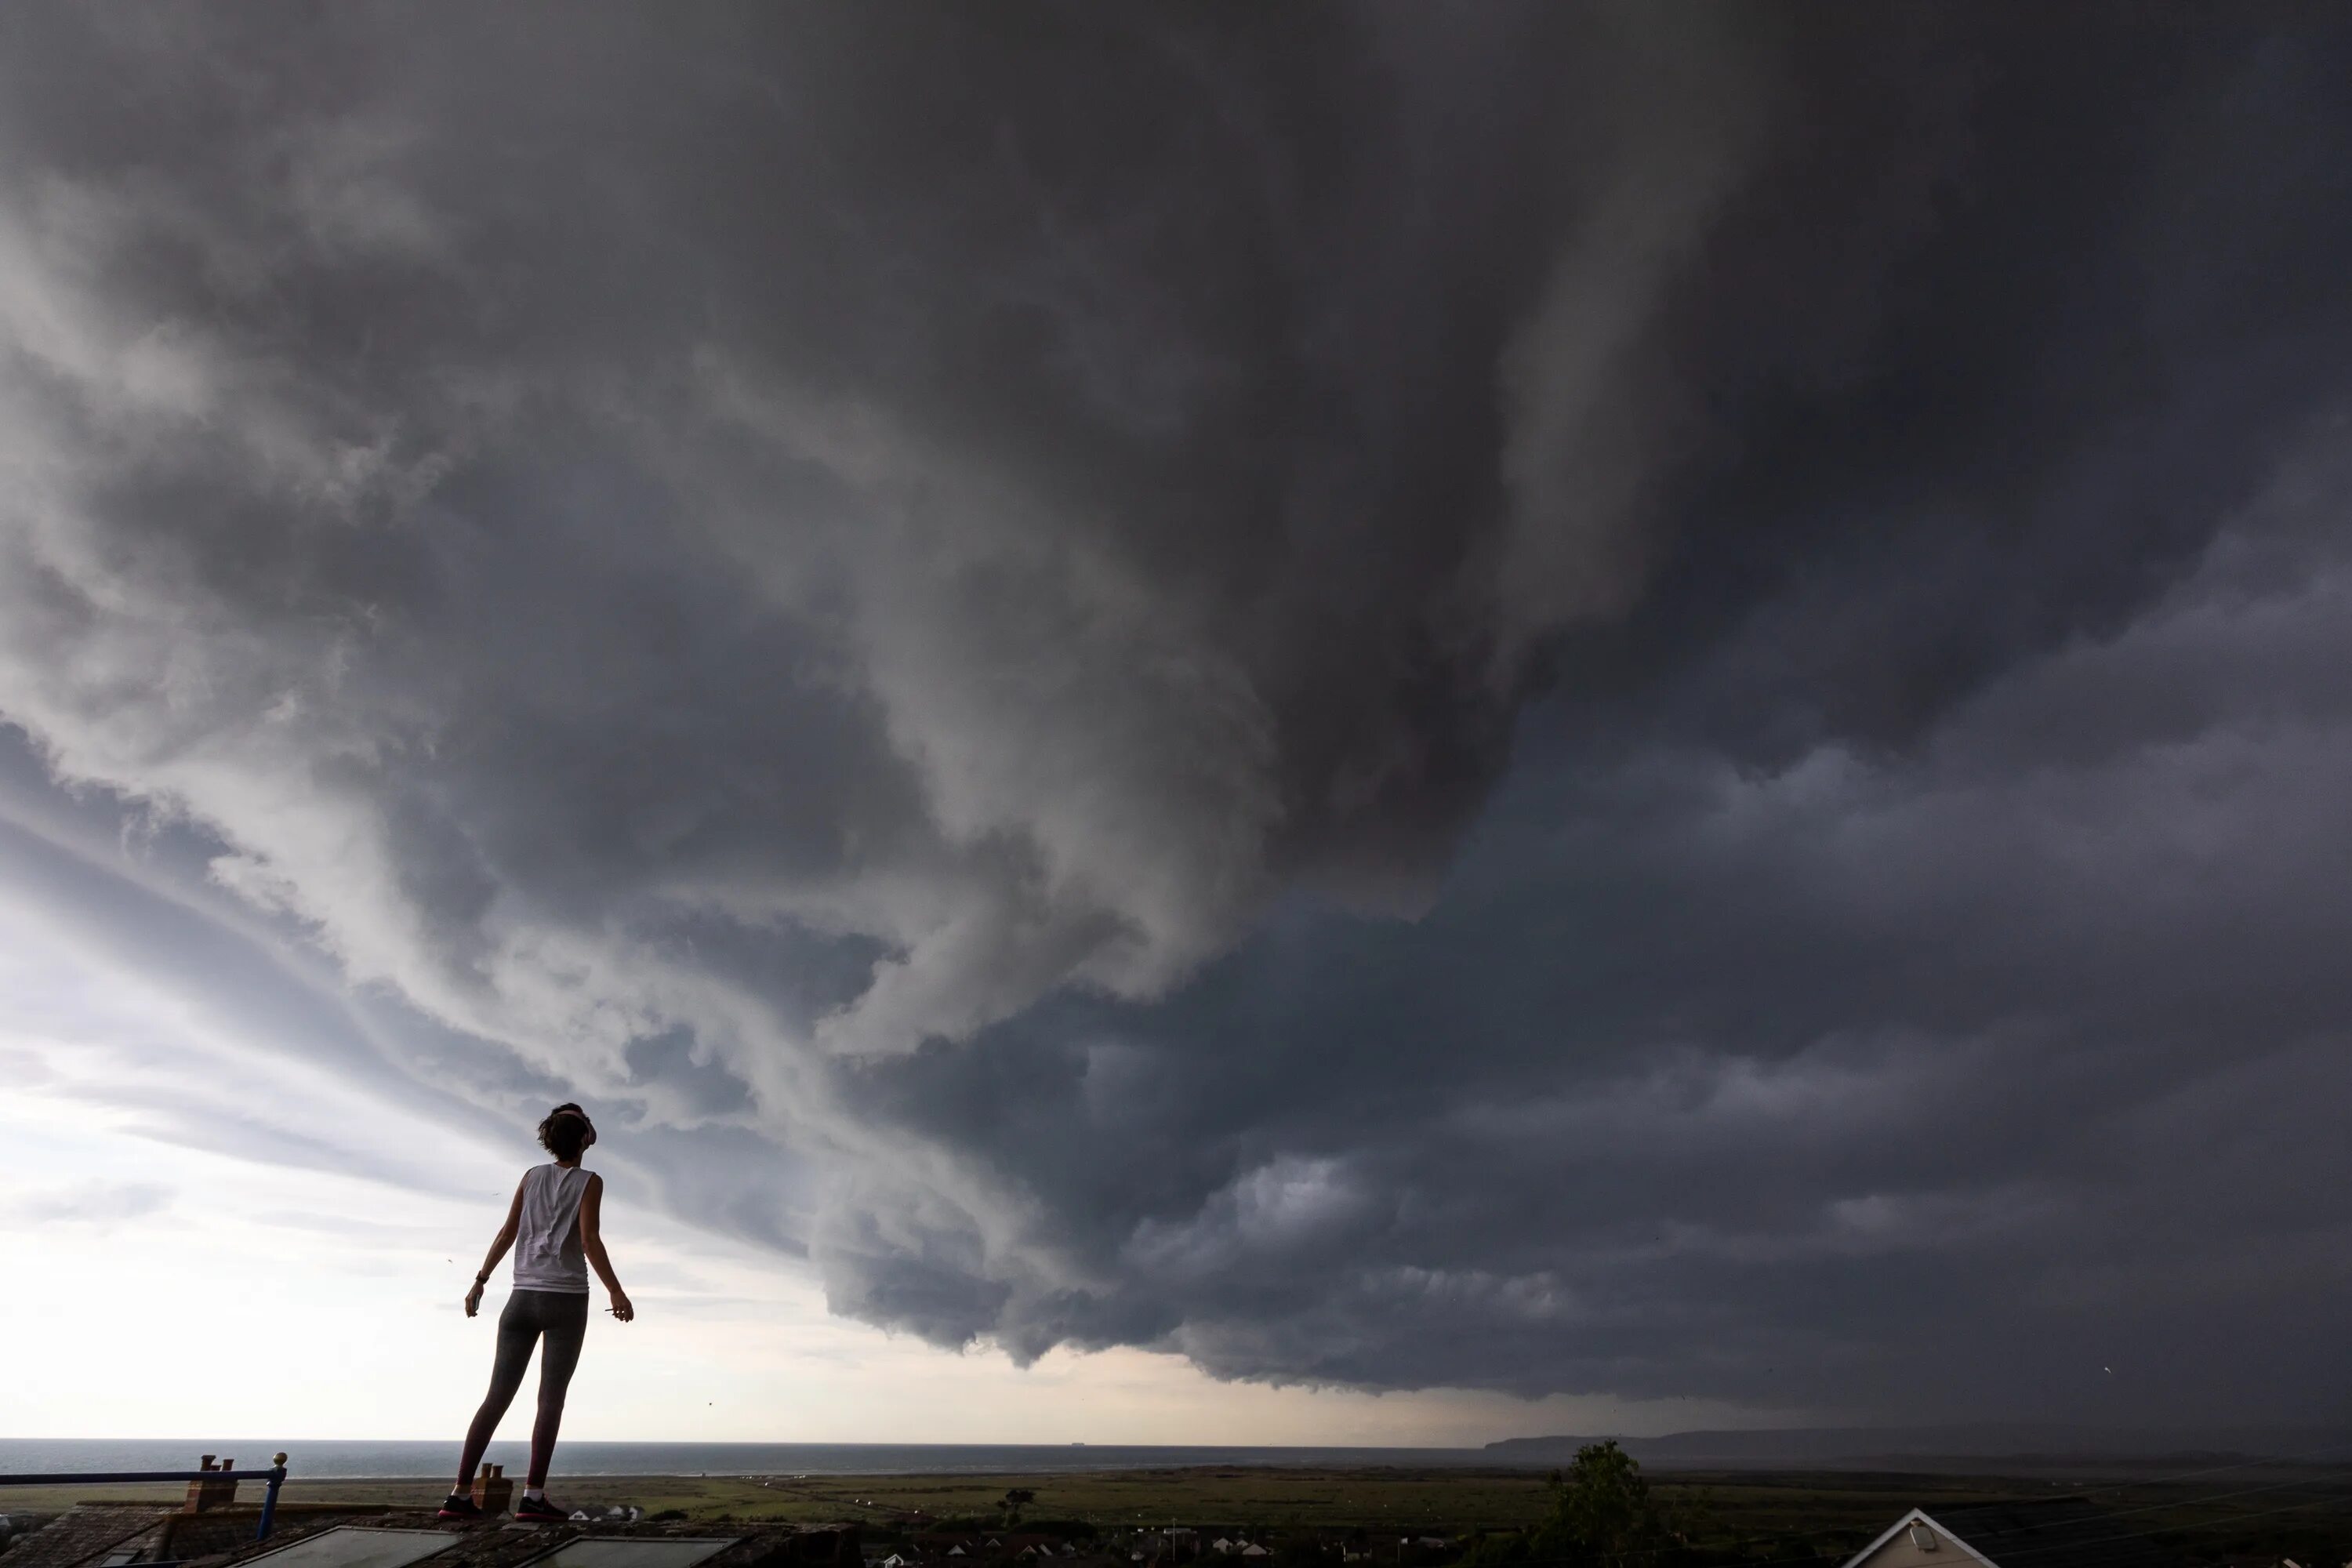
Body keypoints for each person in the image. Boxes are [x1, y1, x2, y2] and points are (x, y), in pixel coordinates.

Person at [440, 1103, 633, 1520]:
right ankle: (533, 1497)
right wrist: (616, 1290)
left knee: (496, 1397)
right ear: (585, 1138)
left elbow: (507, 1232)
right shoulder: (590, 1181)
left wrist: (480, 1279)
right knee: (550, 1400)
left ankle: (458, 1495)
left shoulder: (531, 1177)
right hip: (565, 1300)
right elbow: (589, 1240)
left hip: (520, 1300)